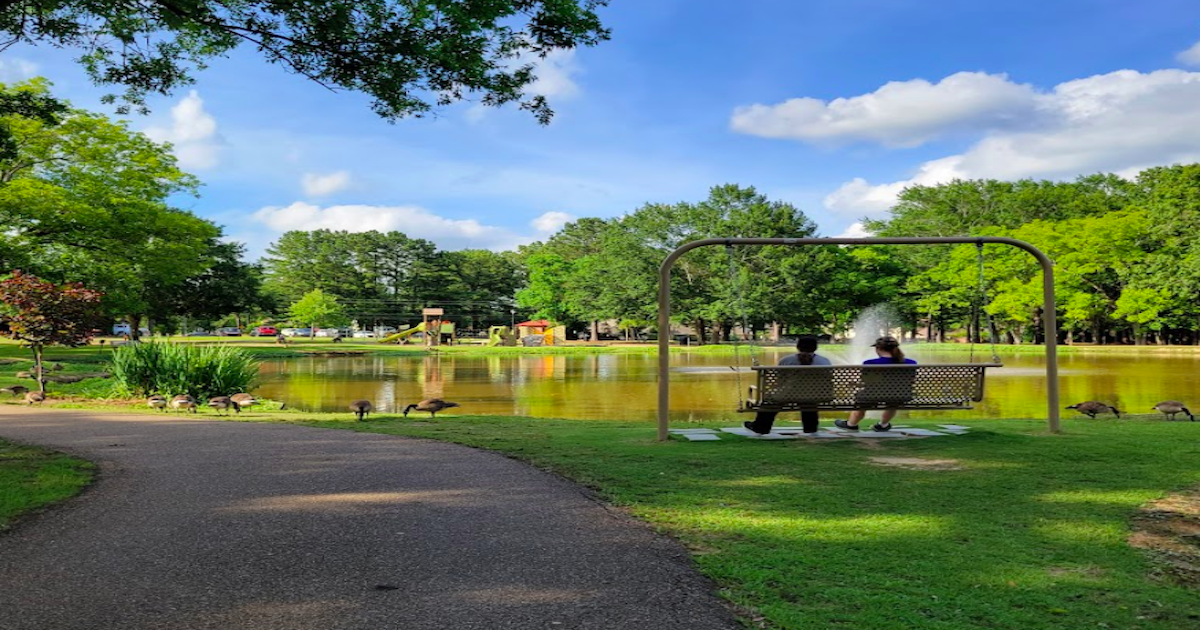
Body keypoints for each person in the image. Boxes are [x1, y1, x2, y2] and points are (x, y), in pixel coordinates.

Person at [744, 335, 831, 435]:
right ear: (815, 347)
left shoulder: (786, 360)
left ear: (798, 347)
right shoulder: (824, 361)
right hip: (816, 395)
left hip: (788, 395)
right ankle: (810, 429)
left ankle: (761, 427)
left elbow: (780, 380)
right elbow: (827, 380)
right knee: (808, 401)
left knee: (769, 401)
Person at [835, 336, 916, 432]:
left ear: (879, 348)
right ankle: (883, 424)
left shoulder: (870, 363)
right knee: (893, 400)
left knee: (862, 399)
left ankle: (851, 424)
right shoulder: (911, 363)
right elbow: (910, 380)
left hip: (874, 395)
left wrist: (854, 384)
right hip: (901, 395)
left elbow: (866, 382)